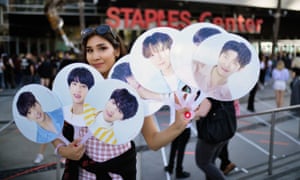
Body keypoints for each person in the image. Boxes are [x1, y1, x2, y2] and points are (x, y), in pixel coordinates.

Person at [51, 24, 211, 179]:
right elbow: (51, 127)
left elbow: (153, 141)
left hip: (119, 173)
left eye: (102, 48)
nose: (95, 56)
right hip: (80, 174)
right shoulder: (78, 86)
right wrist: (63, 150)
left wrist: (178, 125)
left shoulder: (132, 90)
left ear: (117, 50)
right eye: (89, 50)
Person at [195, 98, 236, 180]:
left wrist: (190, 113)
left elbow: (202, 112)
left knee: (203, 163)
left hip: (211, 135)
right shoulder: (225, 92)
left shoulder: (209, 94)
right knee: (211, 162)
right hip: (225, 131)